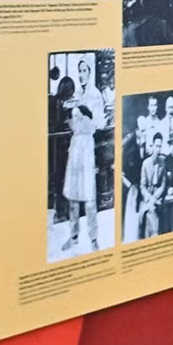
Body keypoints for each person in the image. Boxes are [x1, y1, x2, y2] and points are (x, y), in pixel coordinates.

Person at [61, 75, 103, 251]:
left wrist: (87, 112)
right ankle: (73, 235)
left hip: (87, 147)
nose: (82, 74)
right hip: (75, 145)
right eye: (80, 71)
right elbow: (70, 122)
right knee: (73, 195)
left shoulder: (95, 94)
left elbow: (99, 123)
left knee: (90, 197)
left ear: (89, 72)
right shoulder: (75, 95)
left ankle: (93, 238)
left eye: (85, 70)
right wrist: (71, 117)